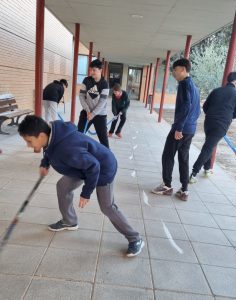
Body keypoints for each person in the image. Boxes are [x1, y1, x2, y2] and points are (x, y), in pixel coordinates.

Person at [18, 115, 144, 257]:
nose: (28, 145)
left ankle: (135, 238)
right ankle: (69, 221)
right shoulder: (52, 136)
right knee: (63, 186)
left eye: (29, 141)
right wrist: (45, 164)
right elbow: (49, 150)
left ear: (41, 135)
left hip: (103, 168)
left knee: (107, 206)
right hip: (82, 168)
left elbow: (93, 167)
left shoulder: (67, 149)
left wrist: (86, 193)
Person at [152, 58, 200, 201]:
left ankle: (167, 186)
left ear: (183, 70)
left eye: (175, 69)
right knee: (183, 158)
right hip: (190, 129)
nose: (173, 72)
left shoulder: (184, 84)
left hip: (181, 129)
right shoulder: (194, 86)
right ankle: (184, 190)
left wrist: (179, 128)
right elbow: (196, 110)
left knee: (167, 155)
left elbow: (186, 106)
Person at [190, 71, 236, 183]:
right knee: (208, 147)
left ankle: (207, 169)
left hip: (208, 122)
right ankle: (193, 173)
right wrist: (227, 116)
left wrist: (212, 114)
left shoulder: (216, 91)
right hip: (222, 125)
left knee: (210, 144)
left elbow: (205, 106)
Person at [78, 59, 109, 148]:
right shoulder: (86, 80)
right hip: (86, 113)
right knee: (78, 136)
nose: (91, 72)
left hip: (100, 115)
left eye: (94, 70)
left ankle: (107, 159)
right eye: (91, 70)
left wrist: (93, 113)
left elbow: (102, 102)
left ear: (100, 70)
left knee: (104, 142)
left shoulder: (104, 84)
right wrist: (88, 111)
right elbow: (81, 96)